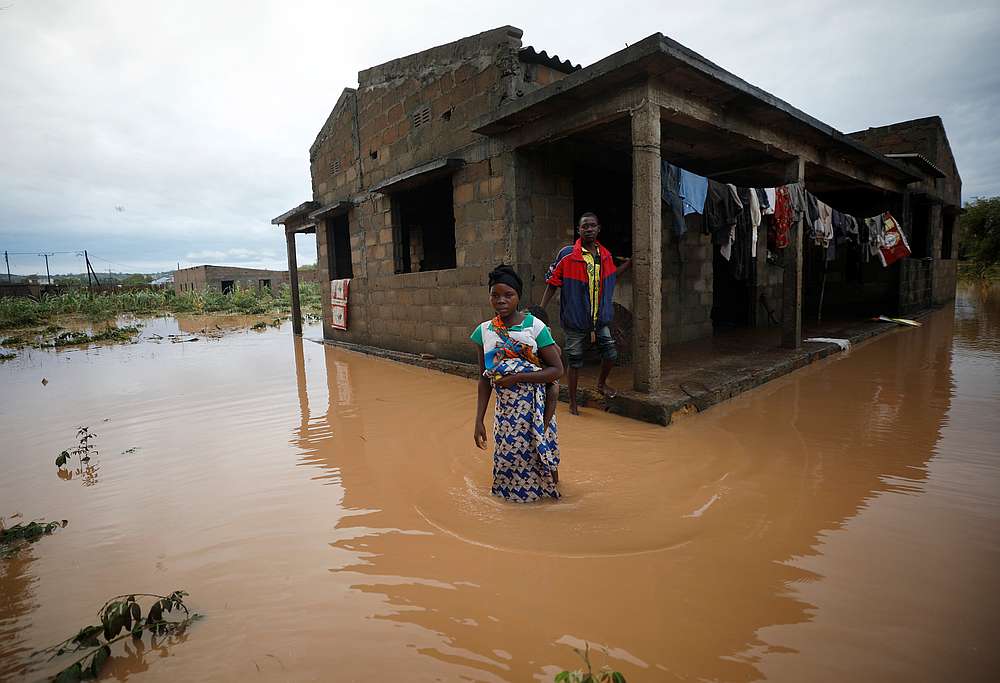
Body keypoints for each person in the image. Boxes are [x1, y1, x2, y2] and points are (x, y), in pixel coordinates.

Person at [472, 265, 564, 501]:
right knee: (508, 461)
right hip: (506, 414)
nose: (501, 300)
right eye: (495, 295)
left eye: (508, 295)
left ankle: (548, 504)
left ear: (518, 296)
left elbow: (556, 370)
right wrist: (479, 420)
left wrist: (519, 377)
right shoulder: (484, 331)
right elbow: (484, 380)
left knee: (541, 458)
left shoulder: (535, 327)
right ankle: (513, 504)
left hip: (537, 409)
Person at [539, 212, 631, 415]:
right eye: (584, 226)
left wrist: (629, 263)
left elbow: (612, 275)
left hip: (600, 320)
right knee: (574, 361)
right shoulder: (567, 254)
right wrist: (541, 310)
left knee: (611, 354)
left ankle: (601, 384)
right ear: (579, 230)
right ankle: (572, 401)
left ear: (599, 229)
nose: (589, 229)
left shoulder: (605, 255)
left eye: (592, 226)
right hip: (575, 320)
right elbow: (553, 283)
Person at [526, 305, 560, 430]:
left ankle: (545, 424)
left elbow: (558, 353)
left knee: (554, 389)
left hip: (545, 370)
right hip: (530, 371)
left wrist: (548, 337)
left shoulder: (544, 332)